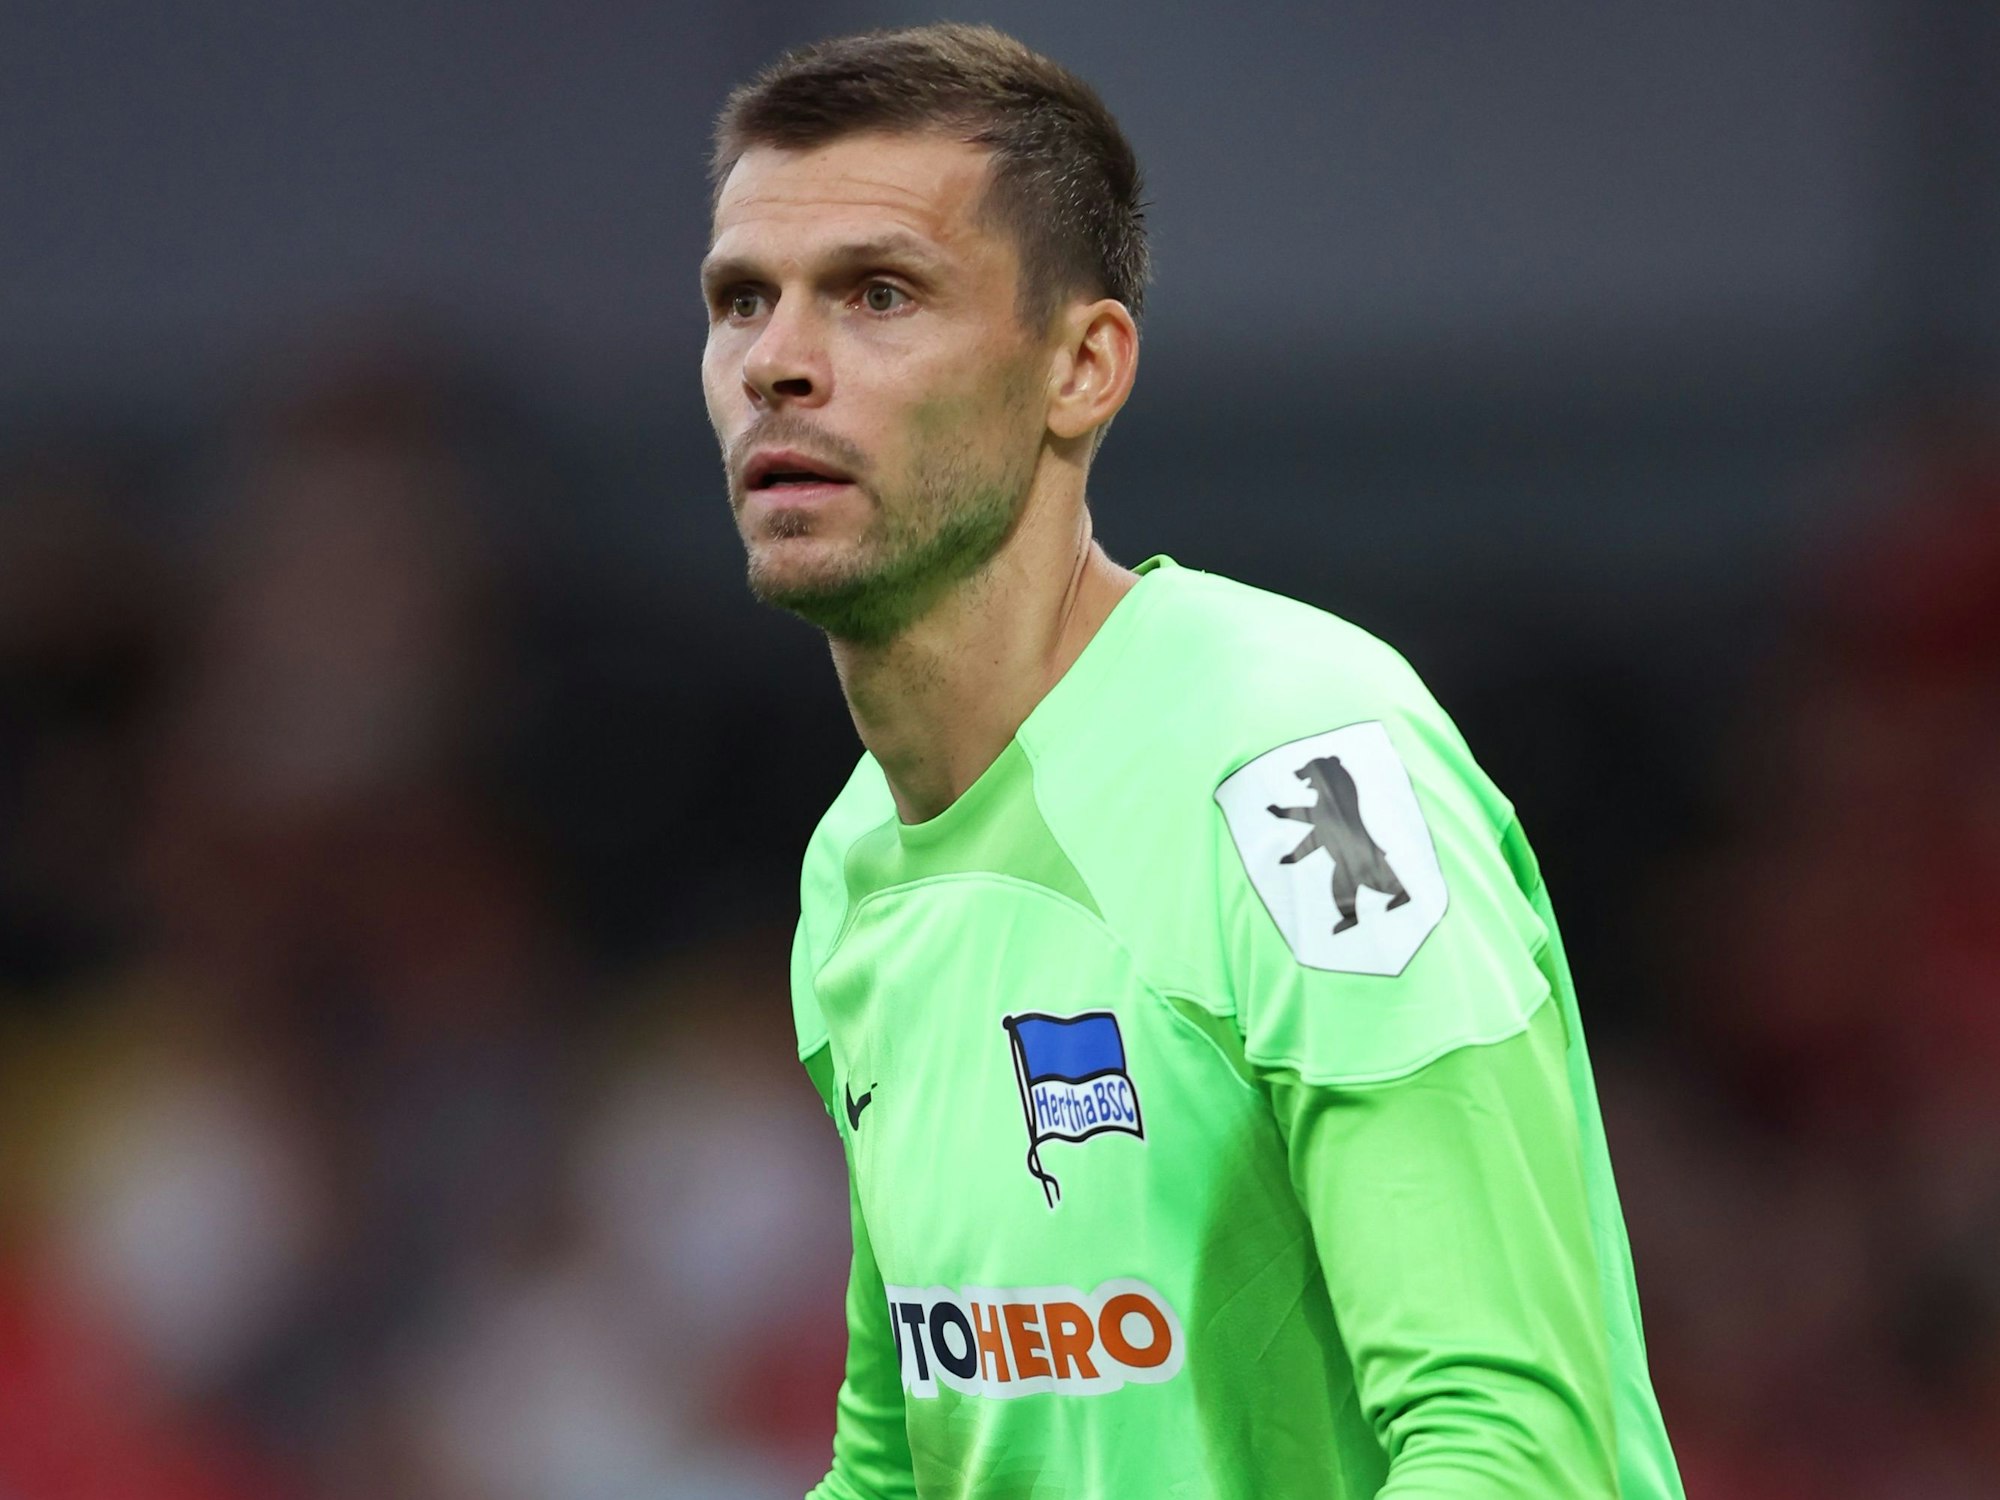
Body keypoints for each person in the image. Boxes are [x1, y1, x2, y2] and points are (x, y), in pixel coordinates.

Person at [699, 23, 1684, 1499]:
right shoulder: (852, 865)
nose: (778, 363)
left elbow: (1510, 1448)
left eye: (878, 294)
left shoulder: (1308, 779)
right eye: (741, 303)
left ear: (1083, 369)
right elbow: (906, 1460)